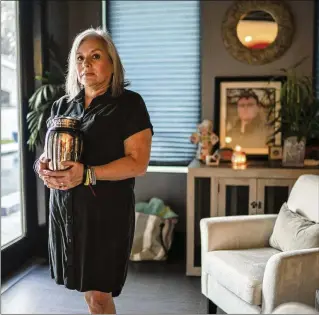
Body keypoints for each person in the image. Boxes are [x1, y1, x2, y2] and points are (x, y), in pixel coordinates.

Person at [35, 27, 153, 314]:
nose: (85, 64)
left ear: (112, 63)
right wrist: (42, 165)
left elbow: (138, 162)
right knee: (89, 294)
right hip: (66, 210)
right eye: (79, 58)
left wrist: (87, 174)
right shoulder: (63, 105)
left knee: (100, 295)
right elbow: (50, 152)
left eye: (95, 56)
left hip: (105, 214)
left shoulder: (129, 104)